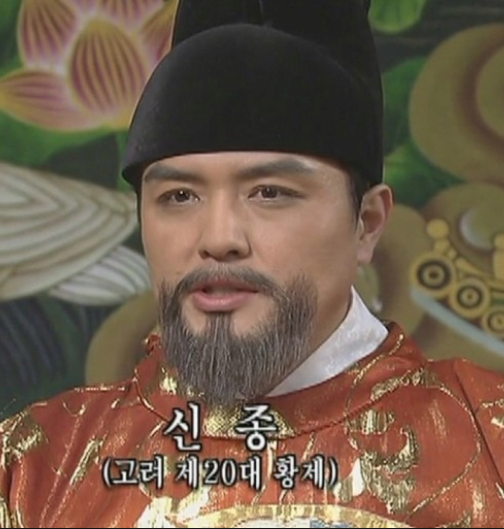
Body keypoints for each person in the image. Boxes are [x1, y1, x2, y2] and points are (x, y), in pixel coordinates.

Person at [1, 0, 504, 527]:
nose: (219, 239)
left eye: (270, 193)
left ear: (367, 223)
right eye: (179, 196)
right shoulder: (33, 472)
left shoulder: (488, 442)